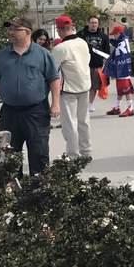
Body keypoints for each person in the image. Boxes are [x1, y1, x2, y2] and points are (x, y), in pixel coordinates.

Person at [0, 16, 61, 175]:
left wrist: (55, 103)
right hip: (9, 113)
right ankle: (12, 187)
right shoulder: (1, 56)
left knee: (39, 154)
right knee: (9, 156)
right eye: (10, 29)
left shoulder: (43, 54)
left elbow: (54, 80)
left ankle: (39, 187)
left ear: (27, 32)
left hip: (36, 112)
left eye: (15, 29)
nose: (11, 32)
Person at [51, 15, 92, 159]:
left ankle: (73, 154)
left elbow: (52, 70)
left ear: (59, 30)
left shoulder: (60, 48)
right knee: (84, 121)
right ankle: (86, 152)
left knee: (70, 124)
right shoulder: (83, 42)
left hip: (69, 89)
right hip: (85, 86)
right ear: (71, 27)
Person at [78, 16, 111, 113]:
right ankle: (82, 103)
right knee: (83, 86)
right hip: (83, 65)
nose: (94, 24)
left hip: (97, 65)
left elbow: (107, 52)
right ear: (88, 23)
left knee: (94, 86)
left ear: (98, 24)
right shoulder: (80, 34)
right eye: (92, 22)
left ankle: (90, 104)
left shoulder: (103, 36)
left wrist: (106, 62)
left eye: (95, 23)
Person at [104, 25, 134, 117]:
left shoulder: (121, 42)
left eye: (115, 34)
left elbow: (119, 57)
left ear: (118, 33)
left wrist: (111, 63)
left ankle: (130, 108)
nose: (114, 36)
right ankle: (117, 107)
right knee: (120, 90)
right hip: (124, 69)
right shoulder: (123, 40)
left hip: (122, 70)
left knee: (126, 90)